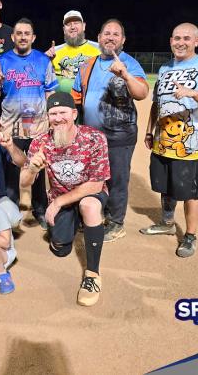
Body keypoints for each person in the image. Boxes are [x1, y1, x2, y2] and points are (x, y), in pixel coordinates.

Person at [140, 22, 198, 258]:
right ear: (170, 40)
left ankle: (190, 236)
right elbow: (157, 104)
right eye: (177, 37)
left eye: (187, 38)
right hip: (162, 141)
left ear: (196, 42)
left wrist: (192, 93)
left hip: (191, 145)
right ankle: (167, 223)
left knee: (190, 192)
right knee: (166, 187)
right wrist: (149, 131)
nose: (181, 42)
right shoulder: (165, 68)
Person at [20, 92, 110, 307]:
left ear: (74, 114)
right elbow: (24, 182)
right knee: (60, 248)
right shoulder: (40, 142)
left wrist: (58, 203)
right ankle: (74, 222)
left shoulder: (94, 138)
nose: (58, 118)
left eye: (63, 113)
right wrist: (33, 168)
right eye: (53, 113)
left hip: (90, 193)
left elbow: (96, 184)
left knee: (88, 206)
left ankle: (93, 274)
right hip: (61, 196)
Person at [71, 19, 148, 242]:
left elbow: (142, 92)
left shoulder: (129, 63)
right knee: (93, 178)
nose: (111, 37)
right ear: (99, 37)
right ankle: (96, 215)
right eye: (107, 33)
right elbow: (77, 99)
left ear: (122, 40)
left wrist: (125, 75)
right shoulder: (87, 65)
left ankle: (116, 222)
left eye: (116, 34)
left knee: (117, 179)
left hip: (119, 135)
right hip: (91, 136)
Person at [0, 18, 58, 228]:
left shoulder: (43, 61)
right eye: (19, 33)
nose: (23, 36)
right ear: (13, 37)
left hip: (38, 127)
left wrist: (52, 119)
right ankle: (11, 210)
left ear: (33, 37)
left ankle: (39, 208)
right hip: (11, 126)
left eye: (27, 33)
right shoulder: (3, 61)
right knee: (12, 172)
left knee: (38, 168)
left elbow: (50, 91)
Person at [44, 10, 100, 93]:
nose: (72, 27)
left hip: (89, 102)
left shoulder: (99, 49)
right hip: (62, 102)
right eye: (68, 24)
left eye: (76, 23)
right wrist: (44, 60)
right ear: (64, 29)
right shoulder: (54, 52)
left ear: (84, 26)